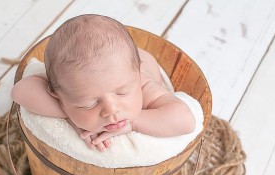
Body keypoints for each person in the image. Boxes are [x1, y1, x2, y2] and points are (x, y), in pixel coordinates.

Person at [12, 14, 195, 152]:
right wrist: (70, 113)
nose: (112, 110)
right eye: (89, 103)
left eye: (122, 92)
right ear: (56, 94)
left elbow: (185, 121)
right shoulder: (72, 80)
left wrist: (133, 123)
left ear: (137, 75)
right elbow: (20, 91)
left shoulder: (142, 85)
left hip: (137, 61)